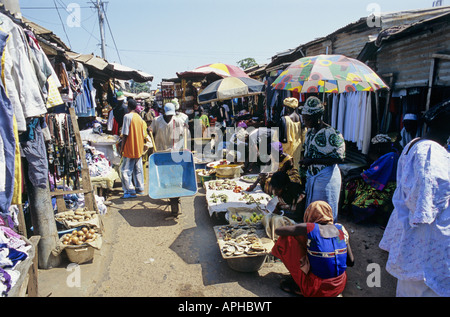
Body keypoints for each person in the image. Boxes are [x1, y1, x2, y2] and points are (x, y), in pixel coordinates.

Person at [379, 100, 450, 297]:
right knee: (422, 288)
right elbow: (427, 199)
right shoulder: (430, 151)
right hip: (427, 240)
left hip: (421, 240)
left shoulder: (418, 145)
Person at [271, 200, 354, 297]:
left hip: (317, 289)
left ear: (310, 214)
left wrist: (301, 231)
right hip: (339, 285)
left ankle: (302, 287)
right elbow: (351, 262)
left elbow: (278, 231)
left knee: (287, 239)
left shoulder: (311, 228)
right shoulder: (341, 229)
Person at [300, 96, 345, 222]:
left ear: (317, 117)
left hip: (326, 178)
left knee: (323, 211)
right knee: (312, 210)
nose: (305, 121)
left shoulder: (332, 133)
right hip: (312, 177)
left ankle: (326, 238)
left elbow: (340, 158)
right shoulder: (309, 132)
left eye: (307, 119)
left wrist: (313, 161)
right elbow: (308, 151)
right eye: (304, 118)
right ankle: (312, 236)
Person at [343, 134, 399, 225]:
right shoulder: (389, 154)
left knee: (359, 202)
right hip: (379, 184)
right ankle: (348, 210)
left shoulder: (390, 156)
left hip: (387, 188)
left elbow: (373, 172)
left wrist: (353, 176)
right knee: (352, 185)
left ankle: (367, 219)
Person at [150, 103, 188, 218]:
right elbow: (152, 132)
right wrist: (149, 131)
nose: (169, 117)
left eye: (171, 115)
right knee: (165, 178)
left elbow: (182, 135)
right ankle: (172, 198)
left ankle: (175, 203)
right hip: (161, 152)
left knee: (174, 177)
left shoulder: (178, 121)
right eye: (167, 115)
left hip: (174, 153)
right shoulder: (157, 121)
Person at [119, 99, 148, 199]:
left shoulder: (127, 117)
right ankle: (140, 188)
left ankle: (130, 190)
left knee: (124, 170)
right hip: (138, 147)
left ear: (128, 106)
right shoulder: (139, 118)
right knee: (138, 169)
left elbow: (125, 134)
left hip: (130, 147)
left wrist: (121, 148)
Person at [279, 98, 306, 171]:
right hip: (298, 146)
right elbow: (304, 133)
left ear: (287, 108)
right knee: (296, 166)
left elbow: (280, 136)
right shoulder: (301, 118)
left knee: (286, 166)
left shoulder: (284, 119)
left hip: (287, 147)